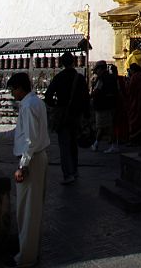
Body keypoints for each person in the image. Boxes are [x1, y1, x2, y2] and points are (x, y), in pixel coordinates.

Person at [0, 72, 50, 268]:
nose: (12, 94)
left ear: (20, 88)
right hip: (38, 158)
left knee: (26, 212)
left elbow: (30, 141)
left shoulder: (28, 106)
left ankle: (25, 258)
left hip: (32, 160)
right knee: (33, 210)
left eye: (13, 90)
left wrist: (23, 166)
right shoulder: (36, 103)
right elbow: (20, 133)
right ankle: (31, 252)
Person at [44, 51, 89, 183]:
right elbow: (86, 98)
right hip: (77, 116)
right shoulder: (79, 78)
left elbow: (48, 96)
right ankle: (74, 171)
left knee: (64, 145)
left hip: (63, 115)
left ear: (62, 63)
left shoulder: (59, 77)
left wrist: (56, 105)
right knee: (74, 144)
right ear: (74, 62)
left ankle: (68, 174)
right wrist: (86, 114)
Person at [90, 60, 117, 151]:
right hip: (111, 104)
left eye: (97, 69)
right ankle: (96, 144)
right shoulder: (112, 77)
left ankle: (111, 145)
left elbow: (97, 91)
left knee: (105, 126)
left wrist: (91, 95)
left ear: (101, 69)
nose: (96, 72)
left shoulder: (101, 78)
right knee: (105, 125)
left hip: (102, 105)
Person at [125, 62, 141, 144]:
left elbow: (130, 89)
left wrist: (127, 83)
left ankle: (134, 140)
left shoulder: (134, 77)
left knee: (135, 120)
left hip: (136, 101)